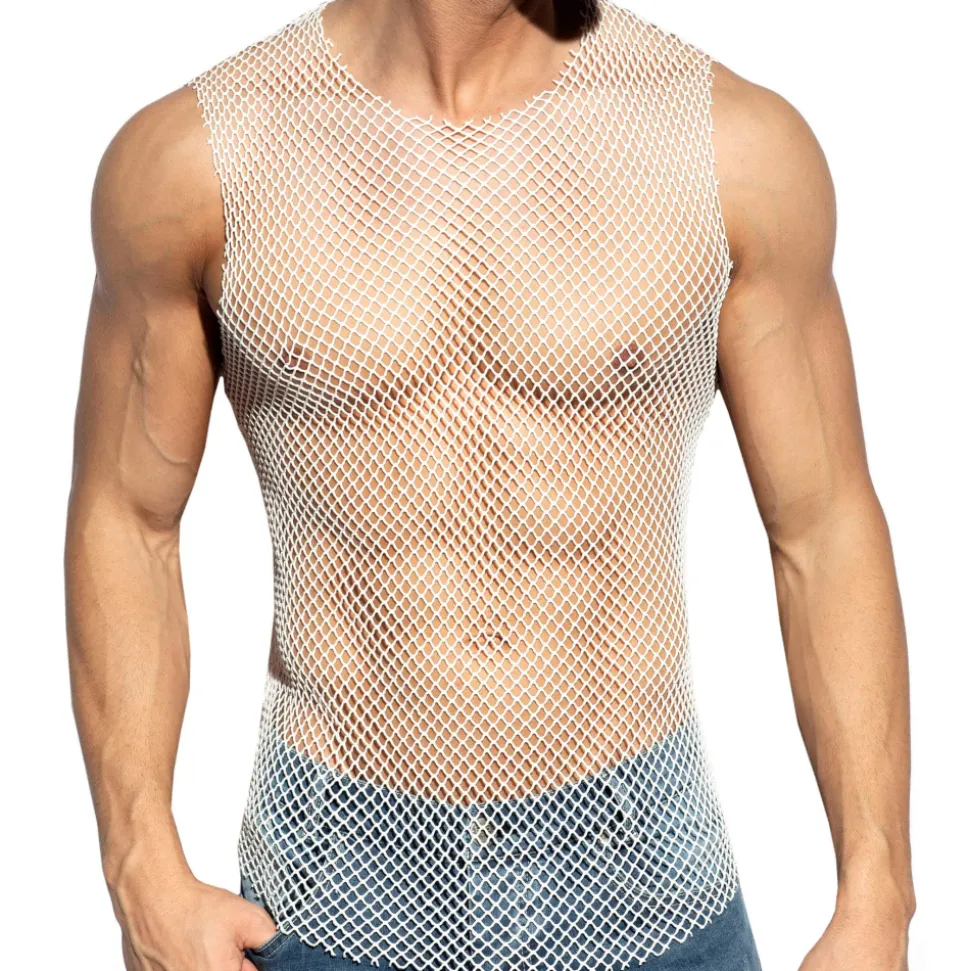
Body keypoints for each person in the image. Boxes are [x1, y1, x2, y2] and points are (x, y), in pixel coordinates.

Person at [64, 0, 916, 969]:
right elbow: (126, 516)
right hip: (334, 877)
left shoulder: (730, 147)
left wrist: (877, 893)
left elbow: (823, 524)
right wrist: (139, 863)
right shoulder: (199, 160)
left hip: (639, 866)